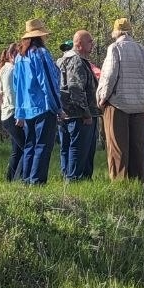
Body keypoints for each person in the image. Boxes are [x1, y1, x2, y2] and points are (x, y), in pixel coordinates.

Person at [96, 17, 144, 180]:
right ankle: (138, 181)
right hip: (139, 106)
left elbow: (109, 76)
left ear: (116, 32)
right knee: (138, 148)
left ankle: (120, 184)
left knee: (118, 148)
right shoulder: (143, 50)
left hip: (118, 104)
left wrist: (102, 98)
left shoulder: (115, 48)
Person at [12, 18, 62, 185]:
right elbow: (47, 81)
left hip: (27, 108)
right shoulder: (40, 53)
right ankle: (37, 181)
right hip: (43, 106)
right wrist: (58, 107)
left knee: (30, 145)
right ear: (40, 36)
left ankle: (27, 180)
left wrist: (19, 111)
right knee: (42, 146)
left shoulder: (19, 57)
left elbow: (17, 85)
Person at [58, 30, 98, 181]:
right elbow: (75, 88)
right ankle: (75, 179)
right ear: (79, 44)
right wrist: (85, 113)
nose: (92, 44)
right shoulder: (76, 61)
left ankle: (68, 177)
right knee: (79, 148)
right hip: (78, 115)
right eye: (89, 41)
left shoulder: (62, 59)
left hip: (65, 112)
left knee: (67, 147)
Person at [0, 43, 24, 182]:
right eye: (19, 54)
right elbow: (11, 94)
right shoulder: (10, 70)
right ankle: (21, 178)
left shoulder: (6, 69)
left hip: (9, 114)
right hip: (12, 114)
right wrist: (19, 115)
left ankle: (10, 180)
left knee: (17, 150)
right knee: (27, 148)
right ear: (12, 55)